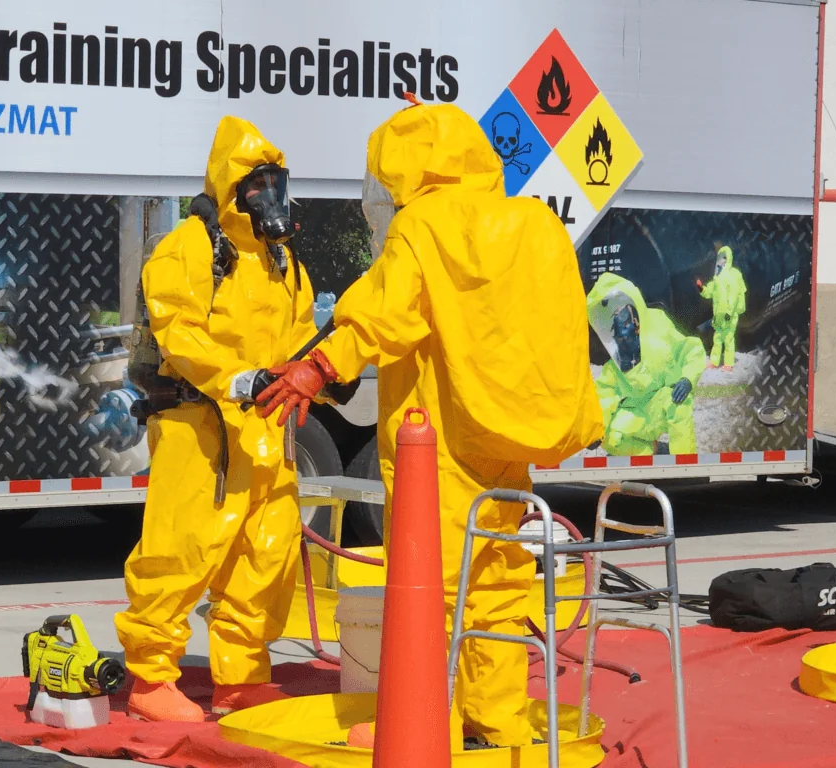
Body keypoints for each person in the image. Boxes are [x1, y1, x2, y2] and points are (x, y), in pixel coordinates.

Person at [257, 99, 603, 748]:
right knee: (497, 581)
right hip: (507, 439)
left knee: (430, 589)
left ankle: (424, 725)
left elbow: (386, 313)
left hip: (439, 440)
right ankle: (495, 718)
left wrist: (319, 365)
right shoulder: (533, 224)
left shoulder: (425, 226)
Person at [113, 115, 319, 723]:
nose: (268, 197)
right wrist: (239, 379)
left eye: (274, 184)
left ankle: (242, 679)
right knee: (181, 549)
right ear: (231, 187)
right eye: (255, 185)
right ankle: (150, 676)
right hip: (198, 425)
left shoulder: (282, 260)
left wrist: (319, 373)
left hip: (266, 430)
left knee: (265, 553)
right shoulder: (190, 248)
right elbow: (179, 332)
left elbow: (301, 332)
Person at [587, 272, 706, 456]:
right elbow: (604, 397)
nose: (621, 334)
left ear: (636, 322)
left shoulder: (660, 329)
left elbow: (691, 350)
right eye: (615, 329)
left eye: (624, 324)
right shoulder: (614, 367)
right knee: (606, 434)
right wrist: (595, 430)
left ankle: (685, 462)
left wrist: (687, 379)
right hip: (637, 416)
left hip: (661, 405)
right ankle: (648, 452)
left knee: (678, 403)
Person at [697, 242, 747, 371]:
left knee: (728, 338)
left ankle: (729, 364)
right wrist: (702, 289)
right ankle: (714, 361)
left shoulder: (733, 276)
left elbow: (734, 296)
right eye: (720, 258)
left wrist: (729, 313)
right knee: (718, 338)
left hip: (729, 315)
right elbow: (710, 292)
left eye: (723, 258)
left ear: (728, 258)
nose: (721, 261)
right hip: (718, 314)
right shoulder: (717, 278)